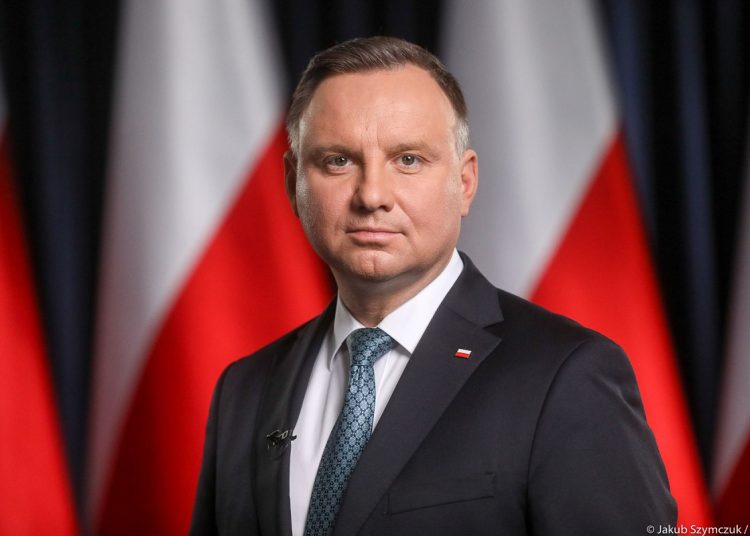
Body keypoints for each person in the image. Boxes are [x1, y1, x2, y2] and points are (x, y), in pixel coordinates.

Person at [190, 36, 676, 535]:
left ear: (464, 183)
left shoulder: (565, 375)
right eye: (338, 160)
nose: (372, 196)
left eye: (408, 160)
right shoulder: (244, 390)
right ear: (294, 183)